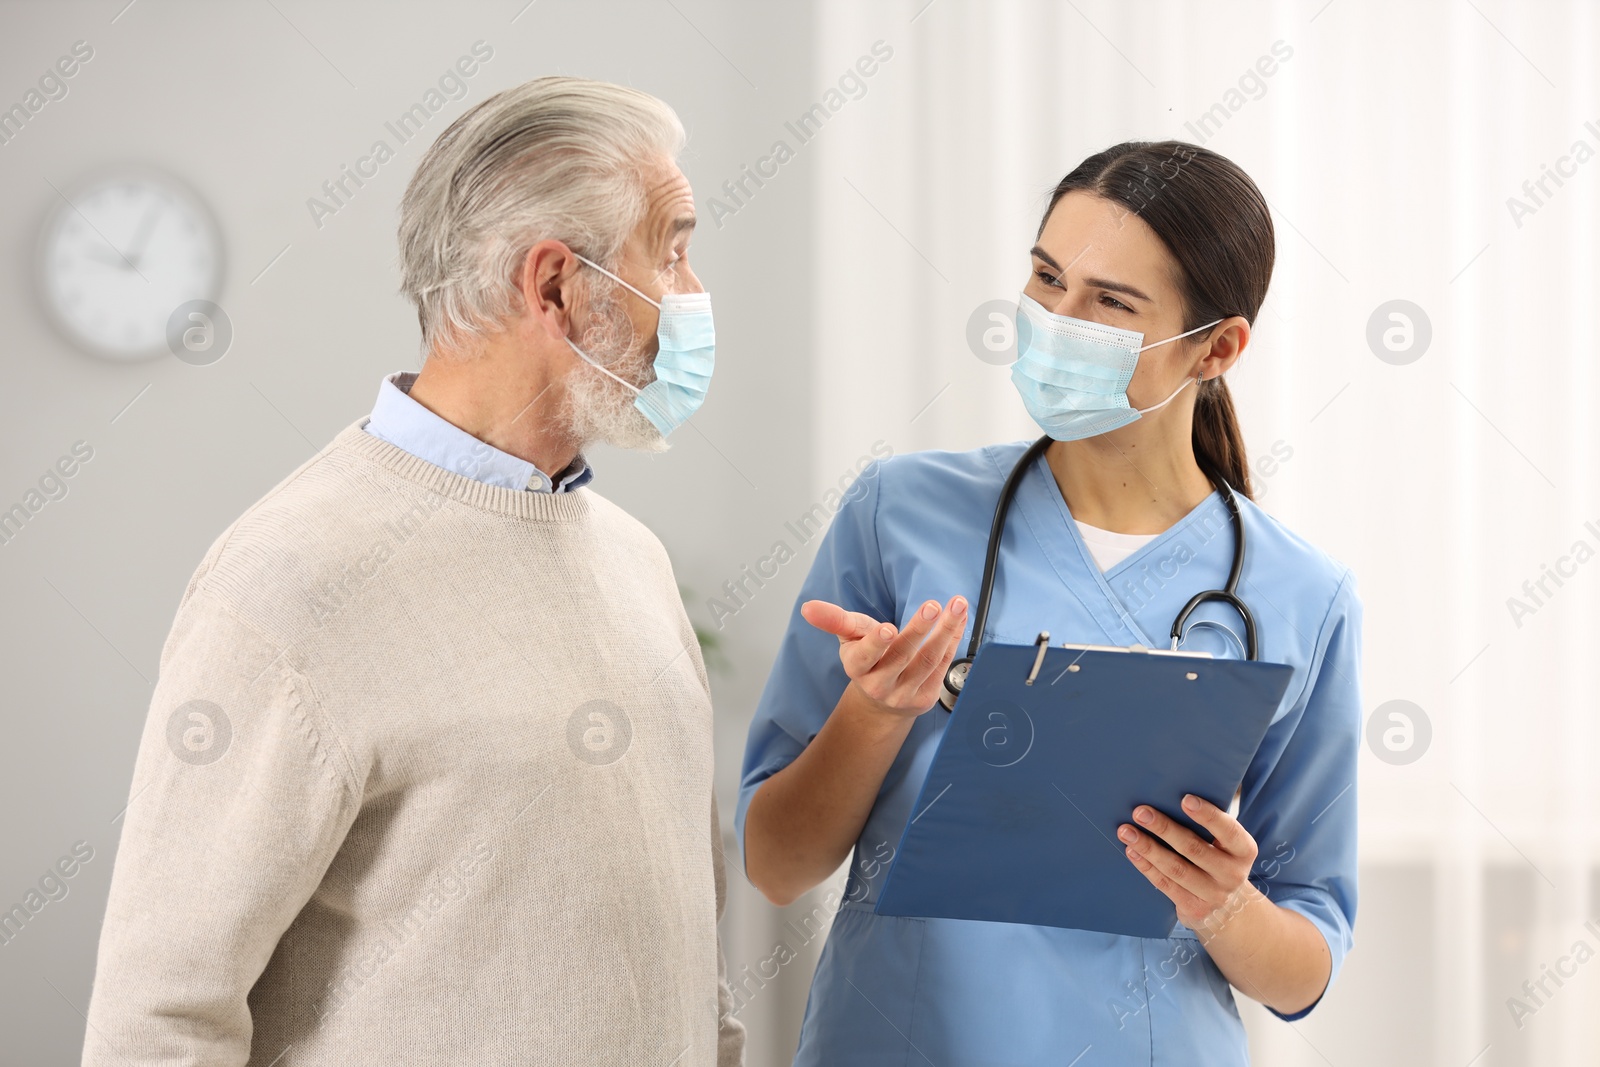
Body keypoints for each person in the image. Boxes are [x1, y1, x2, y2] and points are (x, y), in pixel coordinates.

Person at [82, 77, 743, 1066]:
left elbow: (692, 966)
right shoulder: (288, 582)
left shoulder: (632, 562)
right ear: (556, 283)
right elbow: (159, 1020)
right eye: (675, 249)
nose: (693, 296)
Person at [737, 141, 1361, 1065]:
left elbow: (1305, 968)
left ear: (1217, 348)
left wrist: (1226, 904)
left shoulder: (1301, 594)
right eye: (1046, 277)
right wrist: (871, 714)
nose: (1056, 319)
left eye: (1110, 303)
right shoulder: (900, 511)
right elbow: (775, 865)